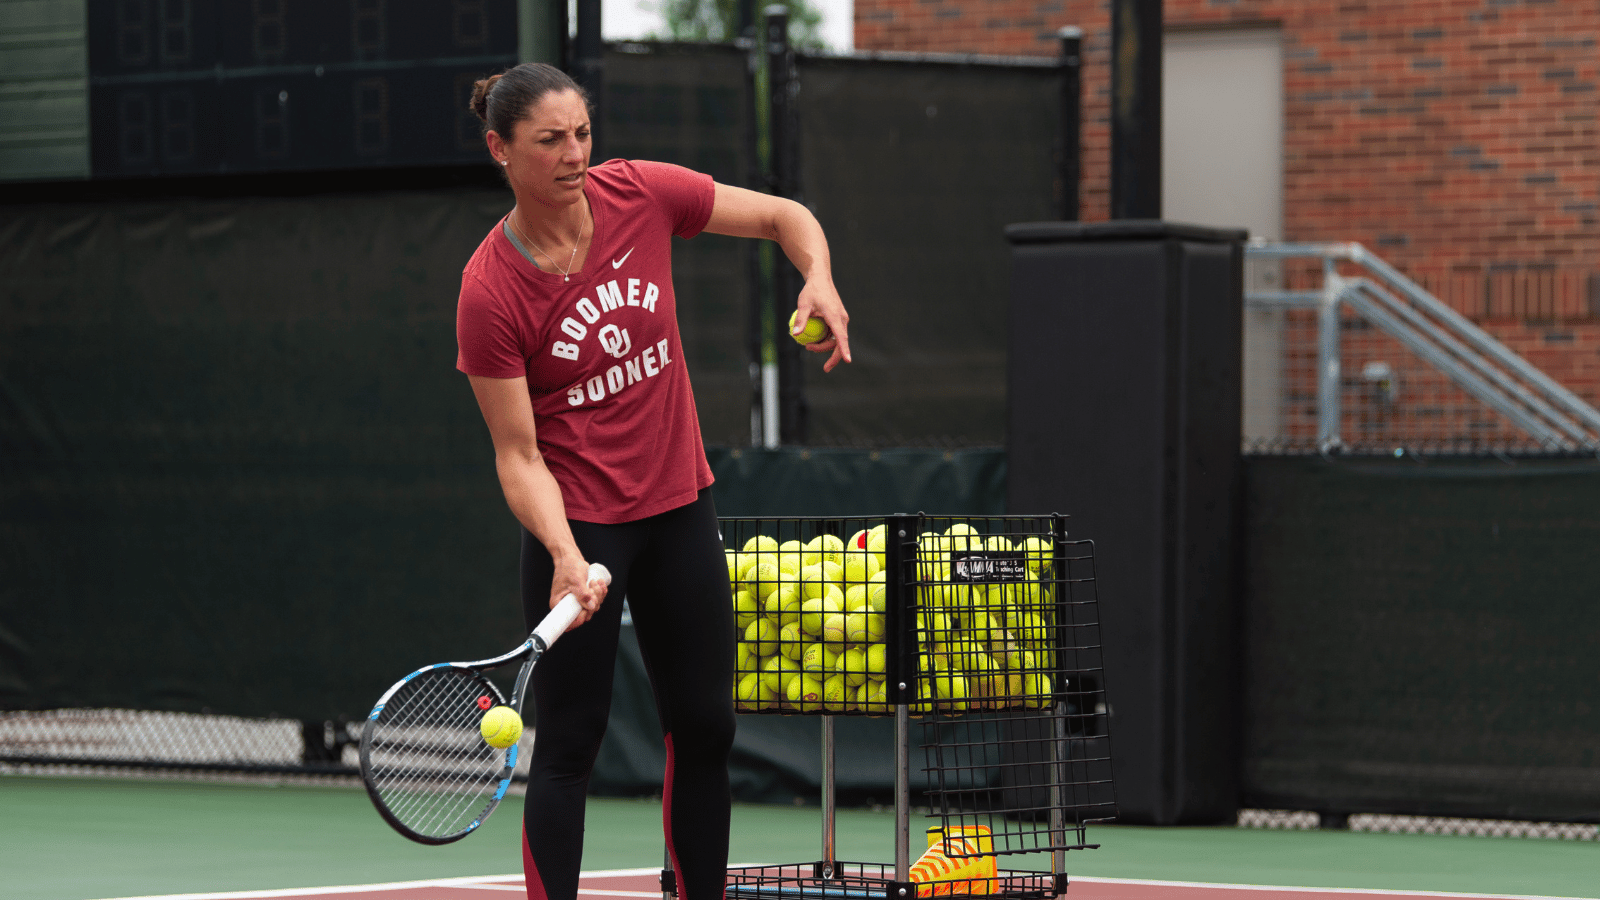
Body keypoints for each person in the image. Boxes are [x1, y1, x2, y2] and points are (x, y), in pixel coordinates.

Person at [458, 63, 850, 900]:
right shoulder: (489, 290)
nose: (574, 155)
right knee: (570, 741)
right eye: (549, 140)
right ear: (500, 148)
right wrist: (563, 553)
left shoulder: (641, 193)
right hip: (583, 526)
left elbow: (786, 217)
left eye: (582, 133)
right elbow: (517, 454)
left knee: (706, 725)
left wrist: (816, 274)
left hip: (679, 504)